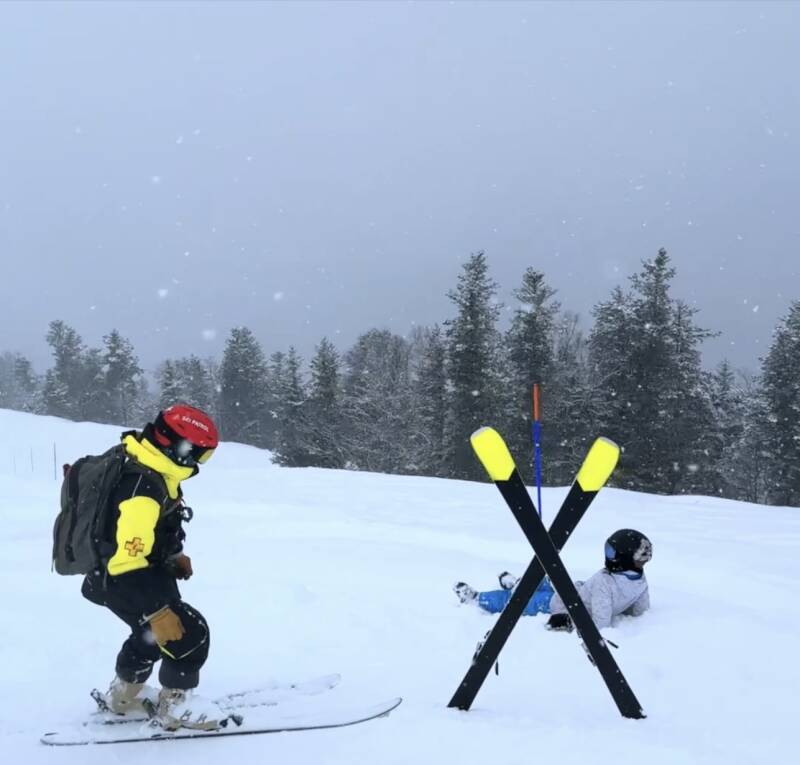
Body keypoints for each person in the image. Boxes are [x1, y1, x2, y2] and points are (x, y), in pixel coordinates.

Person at [79, 404, 222, 730]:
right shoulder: (143, 489)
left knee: (148, 636)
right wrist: (158, 611)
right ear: (181, 448)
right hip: (125, 577)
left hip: (112, 575)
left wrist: (171, 556)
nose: (198, 463)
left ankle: (124, 698)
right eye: (199, 455)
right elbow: (127, 560)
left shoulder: (142, 460)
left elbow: (138, 533)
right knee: (187, 636)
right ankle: (176, 709)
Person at [453, 529, 652, 631]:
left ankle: (478, 598)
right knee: (539, 580)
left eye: (611, 552)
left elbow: (601, 625)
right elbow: (638, 611)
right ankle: (516, 584)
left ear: (623, 558)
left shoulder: (605, 582)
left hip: (558, 604)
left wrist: (569, 621)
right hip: (571, 590)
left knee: (518, 601)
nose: (607, 556)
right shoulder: (640, 581)